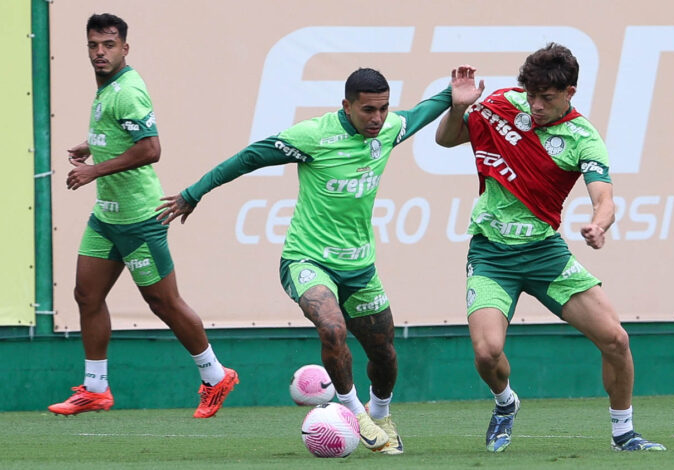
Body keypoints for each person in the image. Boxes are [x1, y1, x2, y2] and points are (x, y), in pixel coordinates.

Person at [156, 65, 483, 454]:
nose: (377, 118)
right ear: (346, 106)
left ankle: (380, 413)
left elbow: (421, 113)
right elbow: (248, 158)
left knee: (384, 352)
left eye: (382, 108)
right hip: (307, 260)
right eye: (367, 110)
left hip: (360, 268)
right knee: (332, 327)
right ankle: (353, 412)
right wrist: (193, 193)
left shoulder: (389, 129)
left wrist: (452, 98)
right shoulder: (313, 136)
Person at [435, 43, 666, 453]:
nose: (535, 105)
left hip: (545, 254)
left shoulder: (582, 137)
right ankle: (506, 403)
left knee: (616, 340)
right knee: (487, 353)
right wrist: (458, 107)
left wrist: (599, 223)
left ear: (570, 93)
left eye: (546, 98)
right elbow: (446, 140)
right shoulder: (503, 103)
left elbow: (605, 198)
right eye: (531, 95)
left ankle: (624, 433)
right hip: (491, 255)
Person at [48, 13, 238, 419]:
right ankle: (96, 388)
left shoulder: (128, 91)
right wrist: (91, 145)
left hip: (138, 219)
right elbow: (122, 134)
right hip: (107, 217)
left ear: (125, 49)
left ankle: (215, 375)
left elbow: (151, 149)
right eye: (94, 46)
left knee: (163, 302)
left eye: (109, 45)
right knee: (86, 295)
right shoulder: (107, 89)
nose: (100, 52)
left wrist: (93, 169)